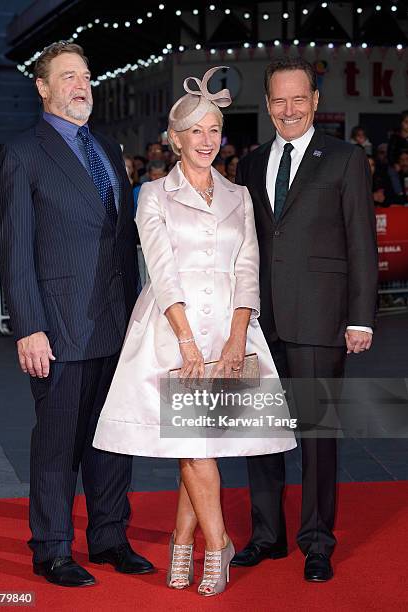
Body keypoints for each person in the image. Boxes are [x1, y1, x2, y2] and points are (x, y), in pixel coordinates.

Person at [93, 66, 296, 596]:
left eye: (214, 130)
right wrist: (186, 340)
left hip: (231, 331)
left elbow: (247, 268)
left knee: (198, 442)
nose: (207, 141)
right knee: (193, 446)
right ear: (175, 138)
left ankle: (181, 543)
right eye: (196, 132)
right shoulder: (153, 195)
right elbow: (161, 271)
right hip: (173, 331)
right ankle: (219, 543)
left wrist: (236, 335)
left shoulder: (240, 197)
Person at [0, 41, 153, 587]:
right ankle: (52, 548)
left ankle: (109, 538)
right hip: (57, 329)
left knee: (112, 441)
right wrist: (29, 327)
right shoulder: (23, 153)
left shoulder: (107, 149)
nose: (81, 85)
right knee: (58, 443)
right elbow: (15, 251)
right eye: (67, 77)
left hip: (115, 323)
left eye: (85, 76)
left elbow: (120, 241)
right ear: (42, 87)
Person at [231, 57, 378, 582]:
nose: (288, 109)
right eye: (278, 100)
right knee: (260, 434)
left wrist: (360, 318)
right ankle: (266, 536)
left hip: (320, 318)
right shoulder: (249, 164)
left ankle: (317, 540)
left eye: (298, 99)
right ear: (266, 105)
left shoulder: (344, 158)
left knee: (316, 437)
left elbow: (362, 243)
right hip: (259, 323)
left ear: (315, 101)